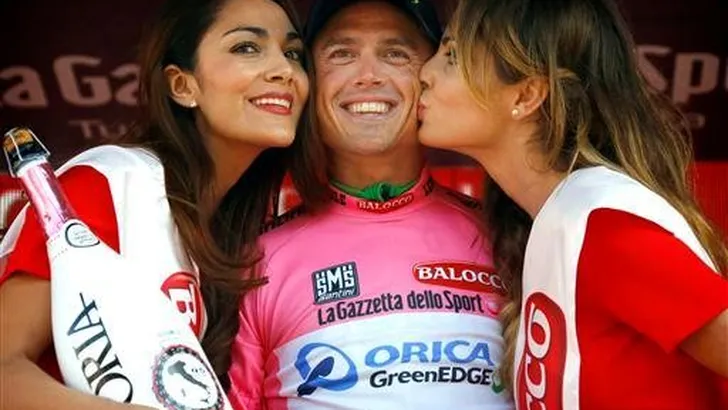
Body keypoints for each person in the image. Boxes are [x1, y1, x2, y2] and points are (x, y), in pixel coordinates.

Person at [0, 0, 321, 408]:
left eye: (293, 54)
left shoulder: (239, 227)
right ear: (183, 86)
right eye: (246, 48)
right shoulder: (108, 184)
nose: (283, 70)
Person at [418, 0, 728, 408]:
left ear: (527, 94)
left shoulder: (606, 227)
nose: (425, 73)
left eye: (452, 56)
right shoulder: (553, 221)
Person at [227, 1, 515, 409]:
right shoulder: (255, 262)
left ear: (432, 78)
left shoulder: (508, 238)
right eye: (342, 54)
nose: (368, 75)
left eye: (395, 53)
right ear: (308, 80)